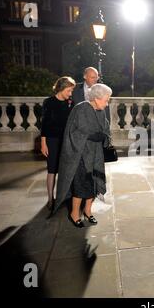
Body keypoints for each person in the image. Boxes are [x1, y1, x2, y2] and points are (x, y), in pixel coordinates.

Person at [52, 84, 112, 228]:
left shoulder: (101, 111)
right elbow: (74, 132)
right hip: (79, 155)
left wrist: (104, 137)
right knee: (80, 186)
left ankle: (88, 211)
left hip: (95, 155)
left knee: (93, 184)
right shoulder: (81, 108)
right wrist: (92, 136)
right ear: (97, 99)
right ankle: (74, 214)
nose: (107, 102)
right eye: (106, 99)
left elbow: (106, 129)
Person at [40, 76, 76, 210]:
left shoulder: (70, 103)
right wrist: (43, 143)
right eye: (69, 90)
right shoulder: (48, 102)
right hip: (52, 140)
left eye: (71, 91)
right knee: (52, 170)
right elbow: (44, 124)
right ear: (61, 88)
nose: (70, 94)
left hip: (66, 140)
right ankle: (50, 198)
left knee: (65, 169)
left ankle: (64, 197)